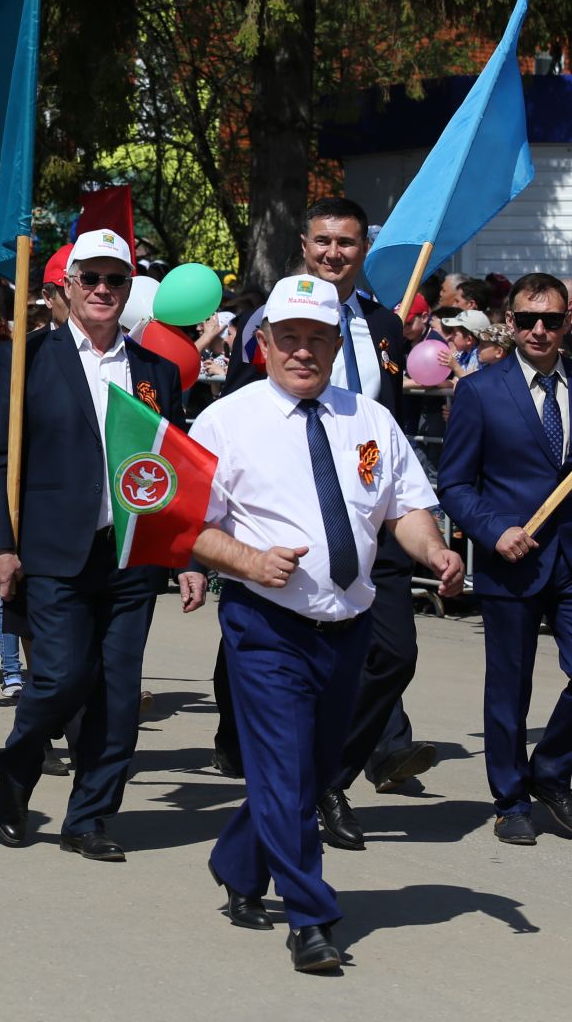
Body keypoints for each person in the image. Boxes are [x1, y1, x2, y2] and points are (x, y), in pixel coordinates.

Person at [191, 273, 462, 972]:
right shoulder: (225, 421)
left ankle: (236, 860)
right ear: (265, 343)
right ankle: (311, 916)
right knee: (283, 773)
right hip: (266, 625)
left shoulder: (368, 419)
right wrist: (248, 560)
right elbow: (187, 527)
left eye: (318, 339)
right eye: (290, 339)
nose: (304, 352)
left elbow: (403, 505)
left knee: (310, 774)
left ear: (338, 345)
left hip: (349, 623)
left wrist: (433, 548)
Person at [0, 227, 204, 862]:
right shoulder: (25, 358)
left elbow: (171, 470)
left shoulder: (157, 370)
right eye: (91, 278)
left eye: (115, 279)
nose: (103, 289)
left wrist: (183, 553)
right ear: (67, 286)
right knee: (60, 677)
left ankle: (89, 817)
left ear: (129, 287)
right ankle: (16, 774)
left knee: (117, 690)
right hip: (53, 551)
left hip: (132, 553)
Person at [438, 273, 572, 845]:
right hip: (512, 559)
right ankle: (510, 800)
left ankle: (550, 773)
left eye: (550, 320)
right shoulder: (479, 390)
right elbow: (454, 484)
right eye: (527, 320)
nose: (539, 330)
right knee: (509, 688)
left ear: (570, 319)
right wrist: (494, 533)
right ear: (510, 322)